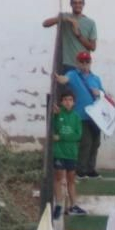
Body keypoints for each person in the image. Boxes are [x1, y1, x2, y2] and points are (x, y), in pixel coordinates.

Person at [57, 50, 107, 180]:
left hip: (96, 117)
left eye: (87, 61)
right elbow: (65, 79)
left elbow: (103, 94)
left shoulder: (96, 78)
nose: (85, 64)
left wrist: (99, 93)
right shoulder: (73, 75)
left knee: (96, 143)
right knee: (86, 142)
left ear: (90, 62)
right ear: (77, 63)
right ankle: (80, 170)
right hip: (81, 116)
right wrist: (60, 79)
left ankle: (90, 169)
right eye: (82, 62)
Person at [50, 90, 83, 219]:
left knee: (71, 179)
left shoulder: (76, 117)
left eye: (70, 100)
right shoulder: (58, 114)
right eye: (65, 100)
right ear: (61, 102)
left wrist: (61, 136)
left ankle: (73, 205)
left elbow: (77, 135)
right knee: (58, 177)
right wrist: (56, 116)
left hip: (72, 153)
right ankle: (58, 204)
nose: (68, 102)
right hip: (59, 152)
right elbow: (54, 131)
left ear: (74, 102)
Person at [42, 0, 96, 67]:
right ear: (71, 4)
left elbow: (93, 47)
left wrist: (78, 35)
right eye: (75, 3)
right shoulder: (65, 16)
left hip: (83, 66)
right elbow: (45, 24)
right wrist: (61, 19)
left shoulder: (91, 23)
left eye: (80, 3)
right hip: (66, 65)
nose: (77, 5)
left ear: (84, 4)